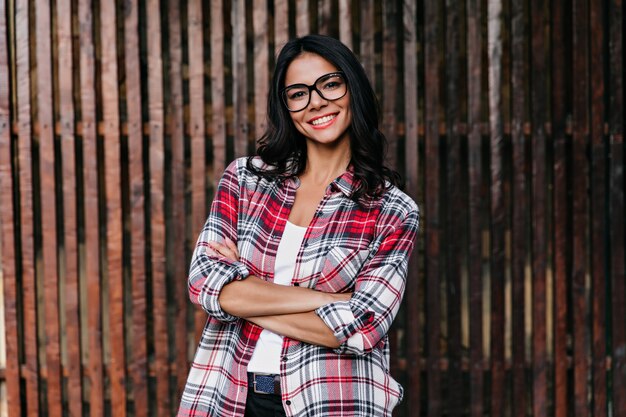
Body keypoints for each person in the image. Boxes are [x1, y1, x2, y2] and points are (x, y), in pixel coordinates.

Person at [178, 34, 419, 417]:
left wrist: (242, 295)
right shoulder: (244, 181)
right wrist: (332, 300)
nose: (316, 102)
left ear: (352, 88)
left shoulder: (392, 209)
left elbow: (362, 326)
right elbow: (204, 284)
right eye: (298, 93)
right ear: (286, 107)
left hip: (331, 402)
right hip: (230, 395)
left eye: (330, 84)